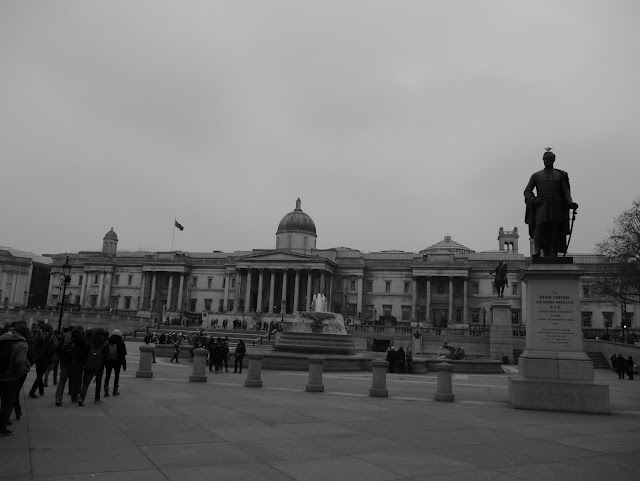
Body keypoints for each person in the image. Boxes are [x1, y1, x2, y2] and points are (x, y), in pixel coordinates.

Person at [524, 149, 578, 257]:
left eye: (548, 159)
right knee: (539, 225)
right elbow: (527, 191)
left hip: (556, 205)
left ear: (553, 160)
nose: (546, 161)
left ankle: (553, 250)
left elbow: (565, 191)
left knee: (554, 227)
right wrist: (533, 200)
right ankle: (537, 250)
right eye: (544, 159)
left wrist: (570, 203)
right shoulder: (536, 175)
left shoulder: (560, 175)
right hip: (542, 204)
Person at [0, 323, 30, 436]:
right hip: (10, 377)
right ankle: (2, 428)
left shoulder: (2, 338)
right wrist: (17, 374)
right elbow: (19, 361)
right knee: (7, 403)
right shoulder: (22, 344)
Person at [78, 328, 108, 405]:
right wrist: (103, 364)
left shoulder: (90, 342)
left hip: (89, 365)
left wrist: (85, 363)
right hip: (99, 366)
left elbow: (85, 353)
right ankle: (97, 398)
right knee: (98, 382)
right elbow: (106, 357)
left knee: (86, 382)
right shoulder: (105, 344)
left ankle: (81, 397)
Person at [104, 329, 127, 396]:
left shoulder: (109, 340)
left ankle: (106, 390)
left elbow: (105, 351)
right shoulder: (121, 342)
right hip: (117, 361)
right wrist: (124, 364)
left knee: (107, 375)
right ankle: (115, 390)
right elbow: (123, 354)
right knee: (116, 376)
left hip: (109, 360)